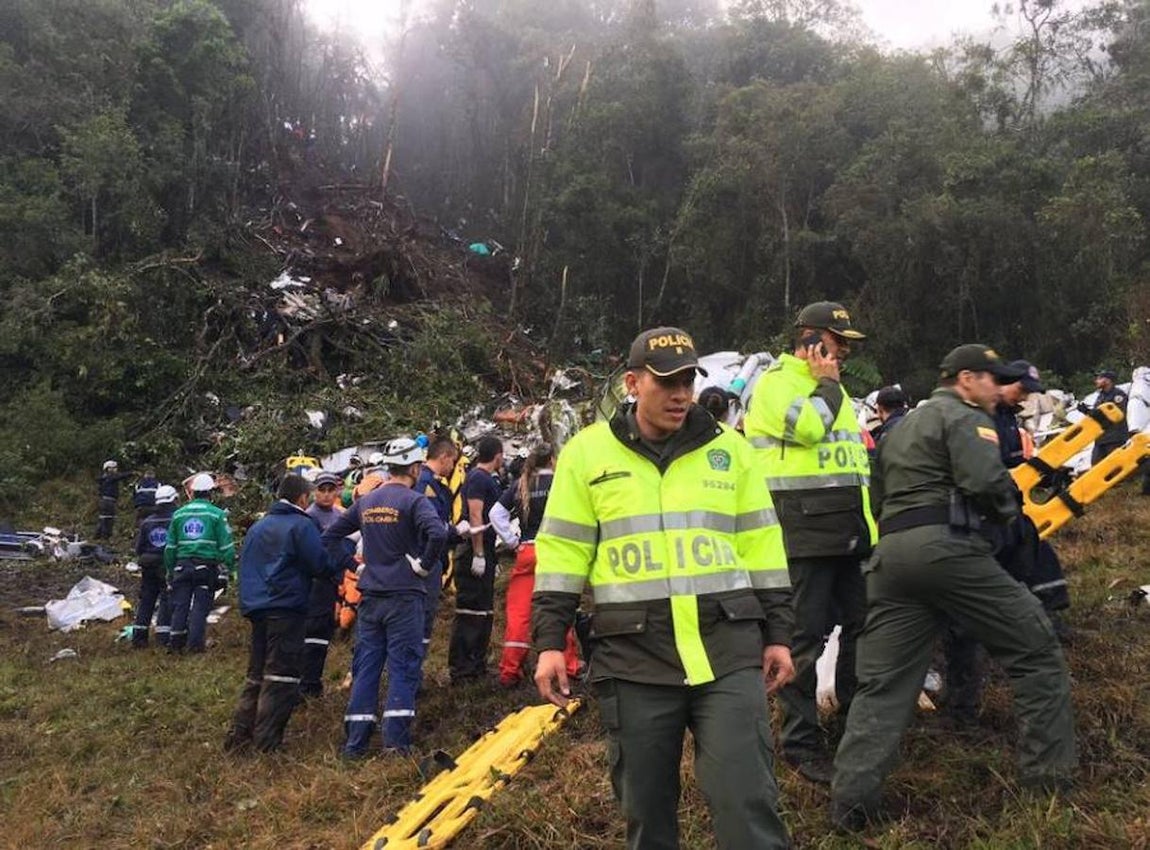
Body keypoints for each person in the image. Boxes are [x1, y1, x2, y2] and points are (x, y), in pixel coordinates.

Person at [534, 326, 795, 850]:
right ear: (632, 384)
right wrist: (548, 642)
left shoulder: (731, 451)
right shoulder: (587, 455)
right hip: (635, 657)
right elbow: (563, 553)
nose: (681, 395)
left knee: (746, 799)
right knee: (647, 812)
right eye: (667, 382)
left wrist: (780, 635)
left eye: (687, 382)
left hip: (726, 649)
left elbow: (763, 548)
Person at [831, 344, 1077, 830]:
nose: (997, 389)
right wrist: (1009, 520)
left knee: (884, 685)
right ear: (966, 379)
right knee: (1036, 648)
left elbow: (877, 494)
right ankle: (1048, 786)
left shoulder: (900, 428)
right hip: (949, 551)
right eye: (991, 379)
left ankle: (851, 804)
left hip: (892, 558)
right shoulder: (967, 418)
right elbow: (986, 483)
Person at [743, 300, 876, 784]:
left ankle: (850, 724)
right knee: (802, 643)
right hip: (803, 537)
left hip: (848, 536)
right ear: (812, 339)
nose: (844, 352)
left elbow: (850, 465)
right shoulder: (777, 384)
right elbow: (807, 429)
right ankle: (800, 743)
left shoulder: (832, 389)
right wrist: (829, 385)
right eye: (838, 342)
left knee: (863, 629)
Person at [321, 439, 447, 757]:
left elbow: (330, 536)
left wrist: (355, 568)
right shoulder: (415, 501)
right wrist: (423, 566)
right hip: (404, 596)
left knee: (367, 666)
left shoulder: (367, 501)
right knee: (403, 666)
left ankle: (355, 743)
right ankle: (396, 742)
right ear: (415, 468)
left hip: (371, 596)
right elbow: (438, 533)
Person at [225, 475, 350, 753]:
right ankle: (267, 743)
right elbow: (319, 563)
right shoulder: (301, 525)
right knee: (281, 676)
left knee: (256, 673)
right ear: (303, 498)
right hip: (287, 607)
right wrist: (342, 559)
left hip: (257, 608)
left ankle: (239, 735)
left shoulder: (258, 527)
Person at [489, 444, 580, 688]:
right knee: (559, 606)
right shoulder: (561, 482)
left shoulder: (521, 484)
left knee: (519, 612)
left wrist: (512, 541)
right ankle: (568, 666)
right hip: (556, 551)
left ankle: (510, 670)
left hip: (528, 551)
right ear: (552, 460)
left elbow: (496, 514)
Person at [447, 435, 504, 683]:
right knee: (470, 611)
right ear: (498, 456)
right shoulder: (479, 478)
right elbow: (475, 515)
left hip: (487, 550)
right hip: (473, 550)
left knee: (484, 611)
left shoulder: (485, 478)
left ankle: (477, 664)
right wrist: (479, 553)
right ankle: (462, 668)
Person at [164, 473, 236, 653]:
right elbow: (227, 546)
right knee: (200, 607)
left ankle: (175, 643)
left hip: (182, 566)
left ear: (193, 492)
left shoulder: (178, 514)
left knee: (180, 605)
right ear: (210, 492)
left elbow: (170, 547)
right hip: (205, 568)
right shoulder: (217, 514)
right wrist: (230, 568)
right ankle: (195, 646)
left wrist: (170, 570)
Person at [415, 437, 467, 657]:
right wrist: (455, 532)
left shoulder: (433, 483)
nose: (452, 466)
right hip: (425, 558)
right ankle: (413, 672)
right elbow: (431, 526)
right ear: (444, 457)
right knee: (422, 620)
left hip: (432, 556)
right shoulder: (426, 484)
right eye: (452, 461)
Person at [300, 471, 347, 698]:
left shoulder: (340, 515)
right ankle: (307, 683)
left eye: (331, 490)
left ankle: (313, 680)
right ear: (314, 492)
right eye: (322, 490)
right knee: (314, 632)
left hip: (334, 580)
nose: (327, 495)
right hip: (316, 582)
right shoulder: (309, 517)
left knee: (325, 632)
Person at [130, 484, 178, 648]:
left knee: (146, 599)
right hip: (166, 564)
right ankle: (163, 637)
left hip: (148, 564)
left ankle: (139, 637)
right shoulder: (176, 519)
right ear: (173, 500)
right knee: (166, 598)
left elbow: (139, 548)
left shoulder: (147, 521)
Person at [1086, 369, 1128, 465]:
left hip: (1115, 437)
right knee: (1096, 465)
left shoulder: (1118, 395)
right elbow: (1097, 412)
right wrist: (1087, 411)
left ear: (1108, 381)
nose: (1096, 381)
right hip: (1101, 438)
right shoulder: (1101, 396)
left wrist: (1097, 414)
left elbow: (1117, 416)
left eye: (1099, 378)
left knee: (1114, 466)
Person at [95, 460, 133, 540]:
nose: (116, 469)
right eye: (113, 468)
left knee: (103, 518)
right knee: (108, 519)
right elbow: (121, 476)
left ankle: (97, 536)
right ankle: (105, 538)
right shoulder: (110, 477)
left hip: (104, 501)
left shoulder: (104, 478)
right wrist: (132, 473)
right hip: (109, 501)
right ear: (108, 469)